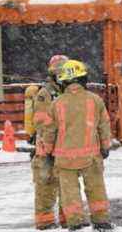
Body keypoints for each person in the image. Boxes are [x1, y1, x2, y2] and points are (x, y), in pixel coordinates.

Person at [40, 60, 114, 232]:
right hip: (91, 155)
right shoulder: (95, 100)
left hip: (65, 158)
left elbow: (49, 130)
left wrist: (48, 150)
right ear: (83, 78)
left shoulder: (56, 104)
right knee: (96, 188)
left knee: (69, 192)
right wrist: (105, 146)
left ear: (64, 81)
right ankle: (101, 220)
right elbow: (104, 125)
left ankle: (75, 222)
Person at [26, 54, 69, 230]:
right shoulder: (45, 94)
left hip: (64, 150)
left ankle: (69, 221)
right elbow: (42, 123)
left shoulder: (69, 92)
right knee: (46, 188)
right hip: (46, 151)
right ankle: (45, 223)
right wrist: (49, 147)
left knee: (68, 187)